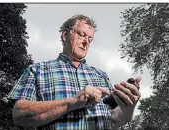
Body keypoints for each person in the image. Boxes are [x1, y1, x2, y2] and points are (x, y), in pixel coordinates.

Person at [8, 14, 141, 130]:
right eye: (81, 35)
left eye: (90, 39)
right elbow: (19, 115)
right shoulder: (37, 70)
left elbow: (115, 120)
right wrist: (74, 102)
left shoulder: (101, 74)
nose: (86, 42)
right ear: (65, 35)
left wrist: (128, 108)